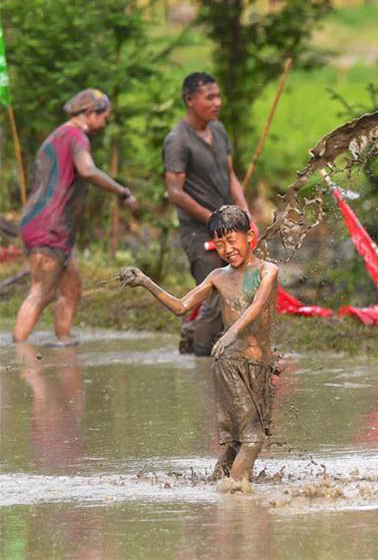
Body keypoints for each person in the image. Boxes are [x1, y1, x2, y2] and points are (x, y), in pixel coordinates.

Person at [120, 206, 278, 482]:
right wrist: (146, 281)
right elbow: (182, 306)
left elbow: (258, 304)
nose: (227, 249)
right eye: (219, 244)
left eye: (232, 241)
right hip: (230, 364)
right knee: (252, 441)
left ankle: (218, 491)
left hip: (261, 367)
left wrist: (232, 331)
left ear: (250, 236)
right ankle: (238, 502)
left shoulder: (267, 271)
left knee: (240, 442)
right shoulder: (218, 277)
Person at [14, 89, 138, 345]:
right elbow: (87, 169)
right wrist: (122, 192)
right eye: (104, 117)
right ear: (91, 113)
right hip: (48, 227)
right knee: (42, 291)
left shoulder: (59, 135)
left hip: (49, 226)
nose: (104, 123)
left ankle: (63, 340)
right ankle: (18, 350)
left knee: (72, 287)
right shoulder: (75, 135)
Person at [164, 72, 250, 356]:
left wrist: (244, 214)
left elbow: (230, 175)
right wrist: (213, 218)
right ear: (190, 100)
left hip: (226, 227)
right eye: (209, 97)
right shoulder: (178, 140)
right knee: (214, 296)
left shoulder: (219, 130)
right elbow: (175, 192)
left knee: (236, 292)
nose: (217, 103)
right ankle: (201, 360)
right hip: (199, 232)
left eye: (218, 96)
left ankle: (194, 338)